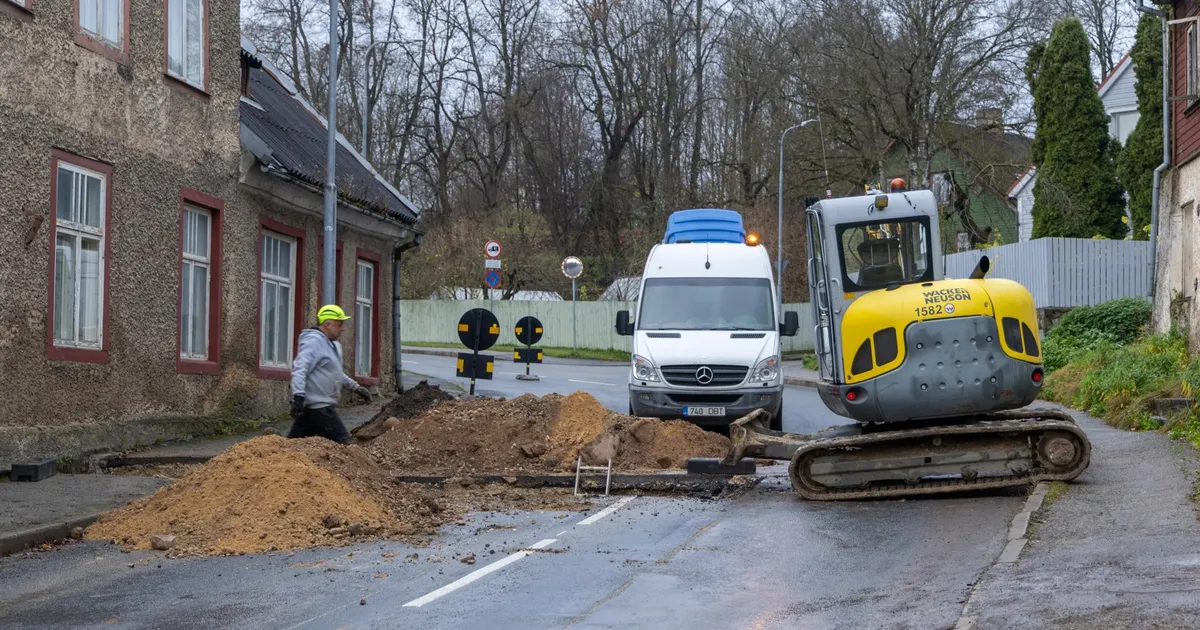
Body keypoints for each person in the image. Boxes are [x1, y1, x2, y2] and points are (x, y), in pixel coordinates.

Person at [288, 304, 373, 444]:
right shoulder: (313, 341)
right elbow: (300, 369)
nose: (342, 328)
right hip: (320, 408)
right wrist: (298, 396)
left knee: (292, 446)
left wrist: (357, 388)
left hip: (313, 409)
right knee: (346, 445)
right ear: (327, 324)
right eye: (339, 324)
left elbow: (336, 373)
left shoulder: (333, 345)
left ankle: (276, 464)